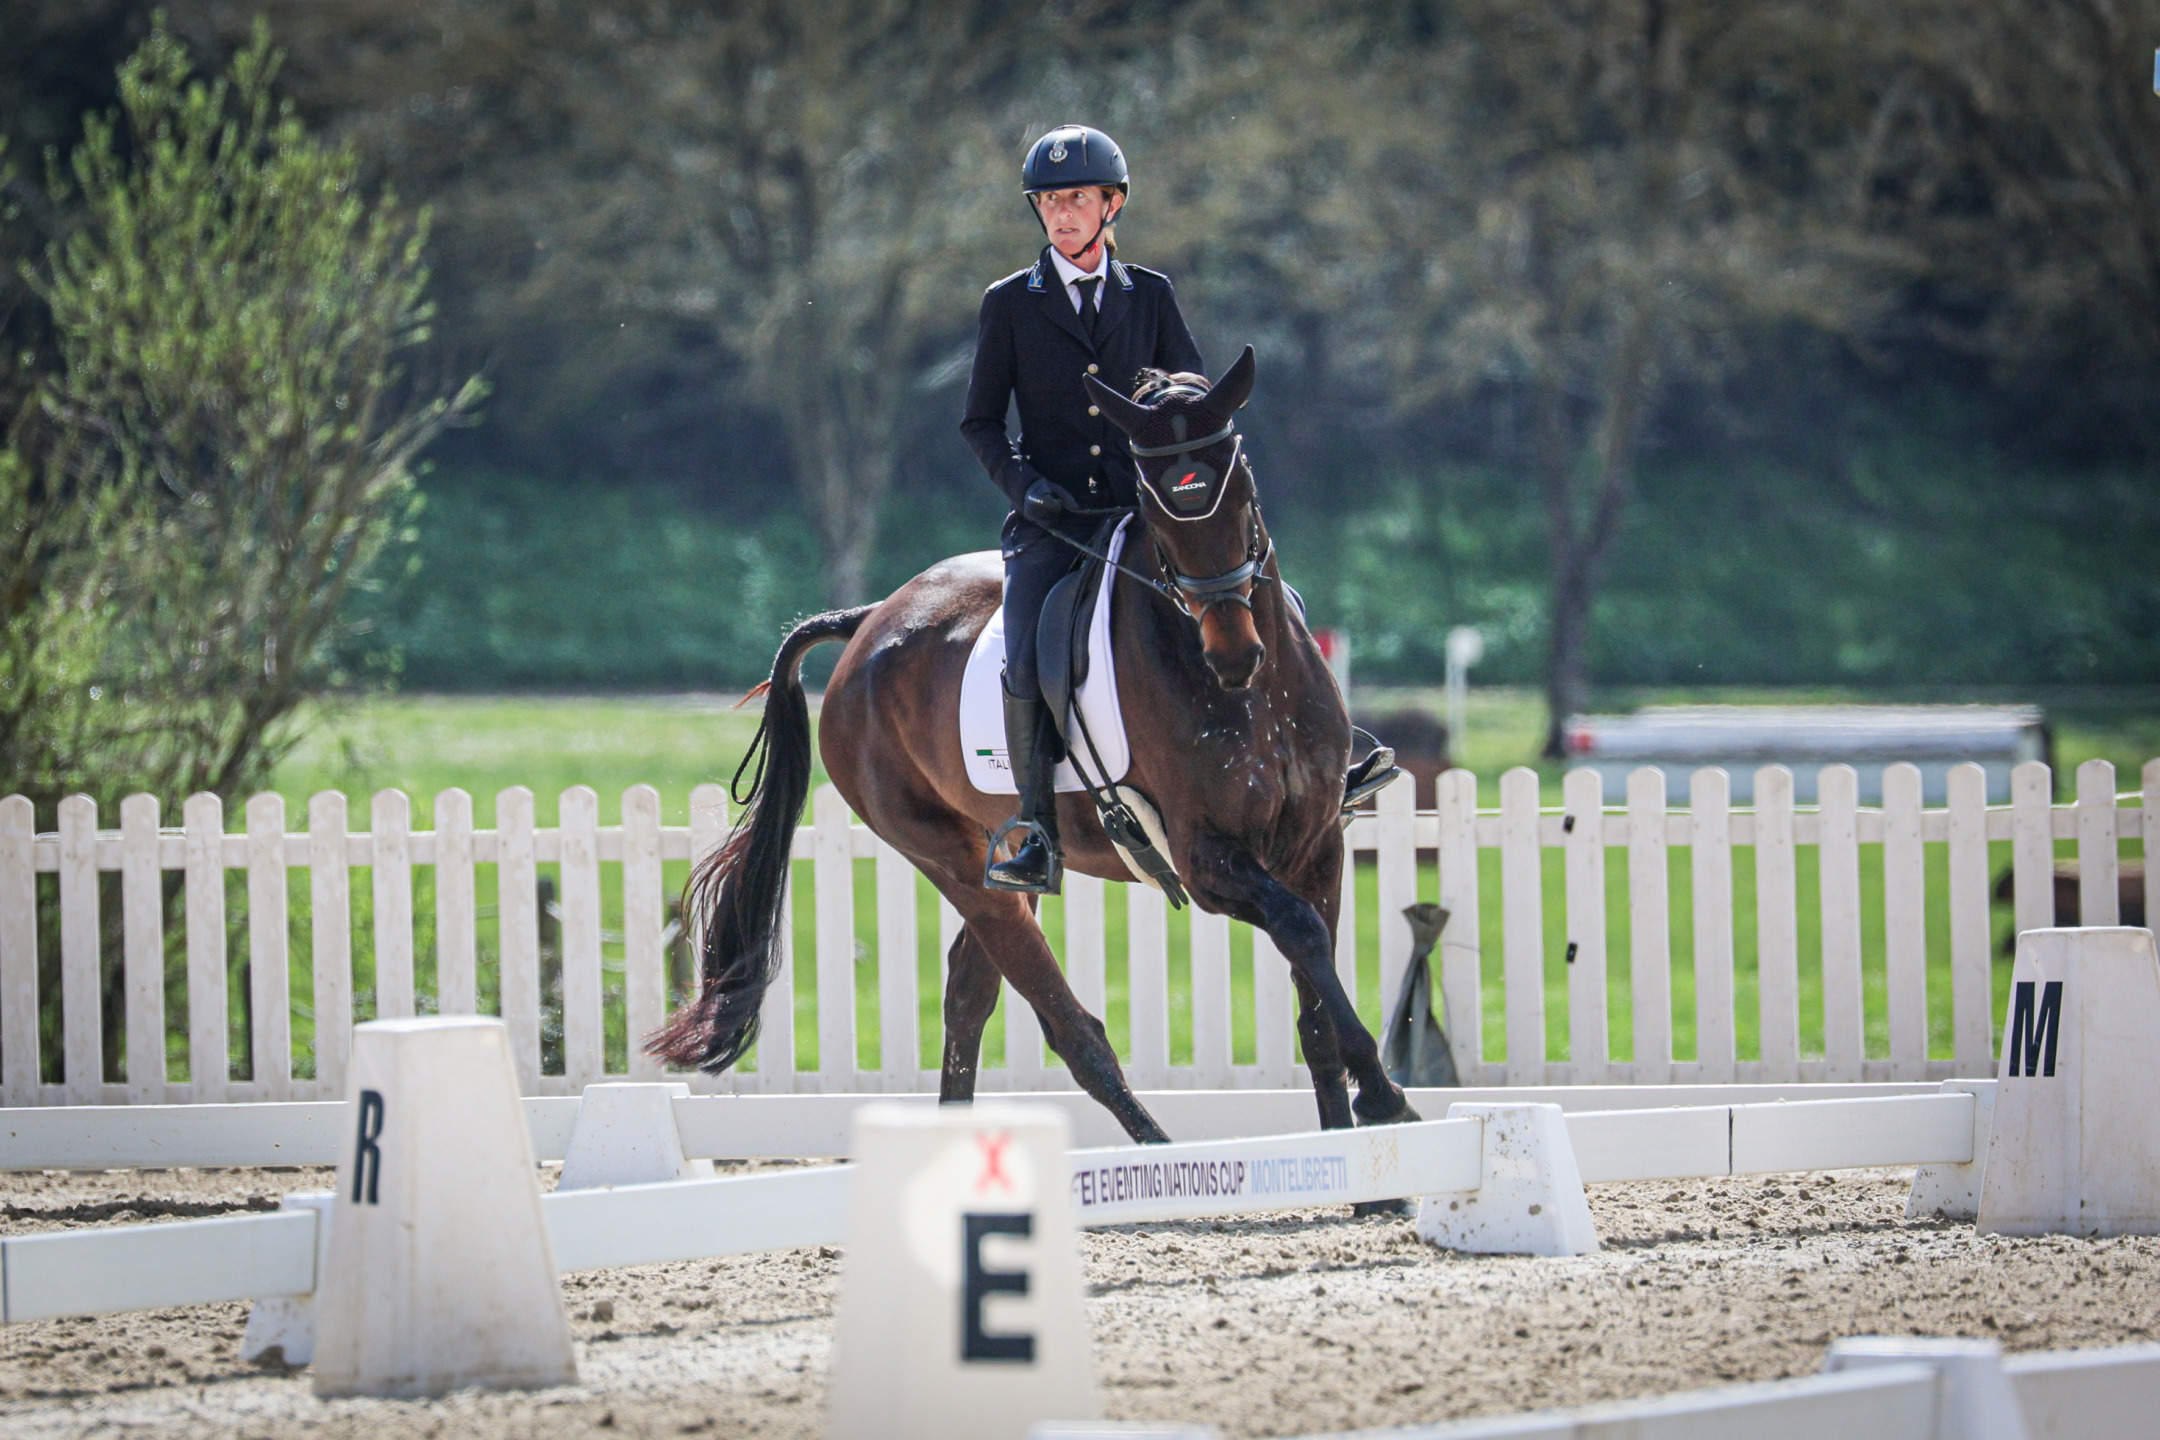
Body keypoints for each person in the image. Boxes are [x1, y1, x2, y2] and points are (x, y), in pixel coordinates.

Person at [960, 124, 1204, 894]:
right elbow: (980, 421)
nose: (1061, 214)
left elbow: (1190, 391)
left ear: (1112, 204)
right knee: (1027, 650)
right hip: (1054, 519)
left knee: (1245, 584)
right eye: (1049, 201)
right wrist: (1024, 486)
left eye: (1076, 199)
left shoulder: (1152, 295)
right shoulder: (1010, 304)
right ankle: (1035, 829)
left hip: (1146, 511)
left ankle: (1330, 748)